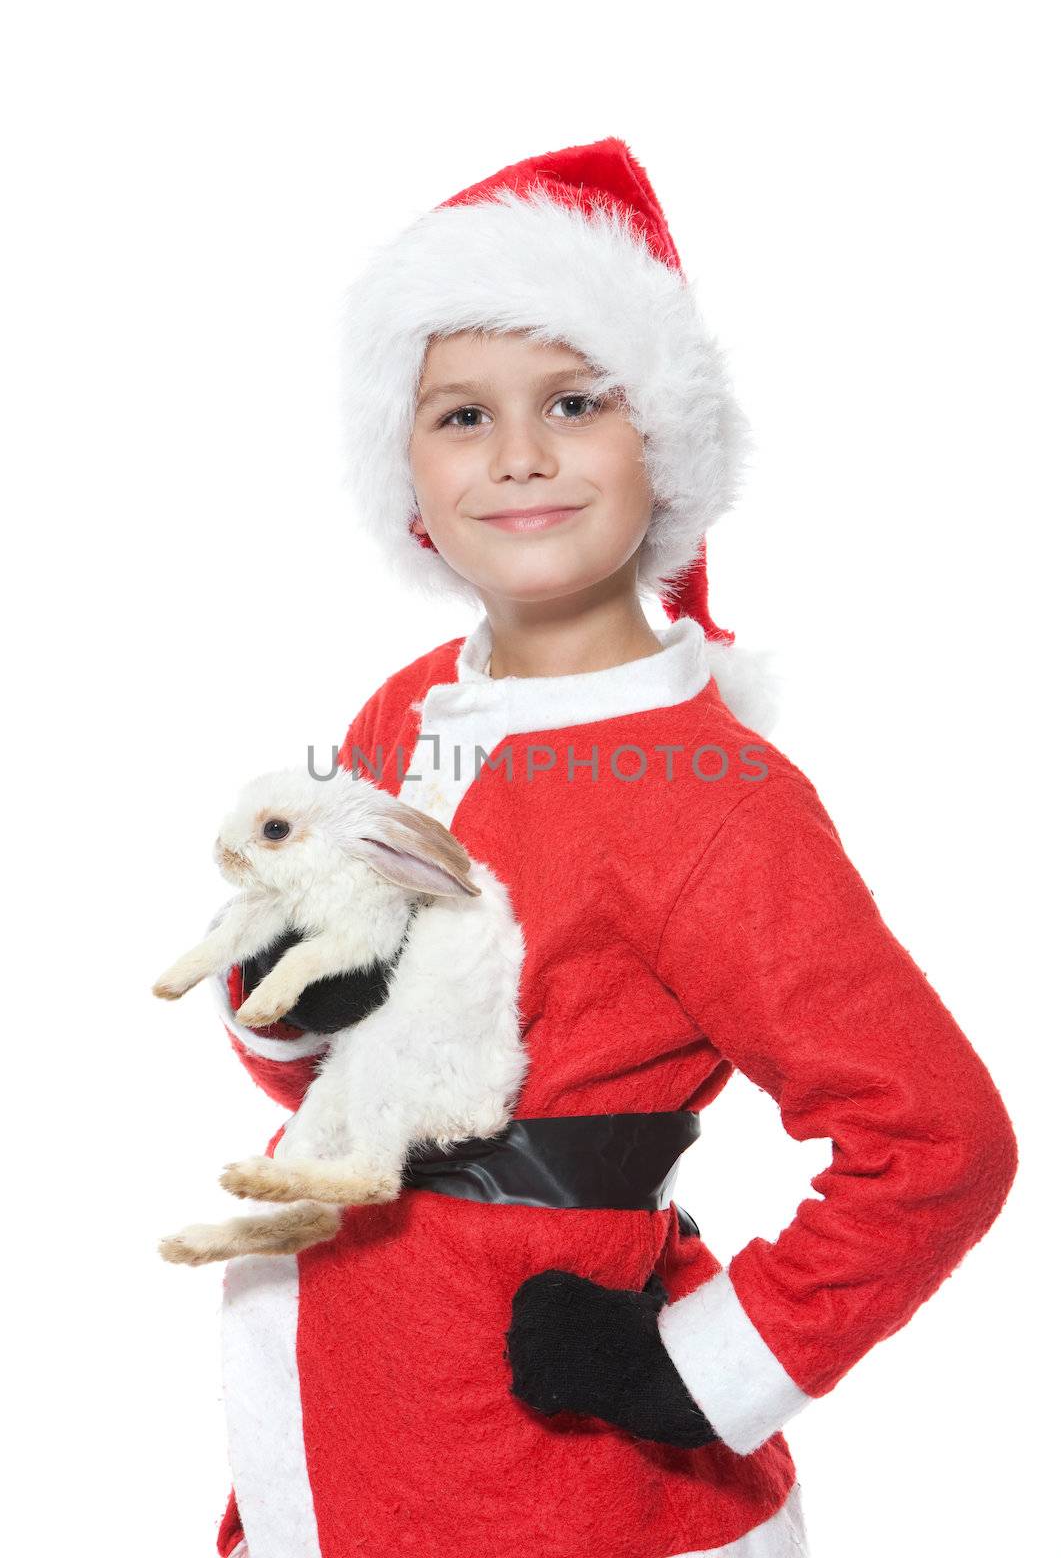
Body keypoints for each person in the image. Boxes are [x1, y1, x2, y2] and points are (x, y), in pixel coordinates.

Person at [211, 137, 1018, 1558]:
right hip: (345, 1401)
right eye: (462, 415)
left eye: (574, 402)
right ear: (403, 464)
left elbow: (937, 1141)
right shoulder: (408, 710)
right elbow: (318, 1034)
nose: (518, 455)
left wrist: (696, 1369)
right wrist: (288, 1002)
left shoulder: (717, 798)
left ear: (669, 438)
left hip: (535, 1471)